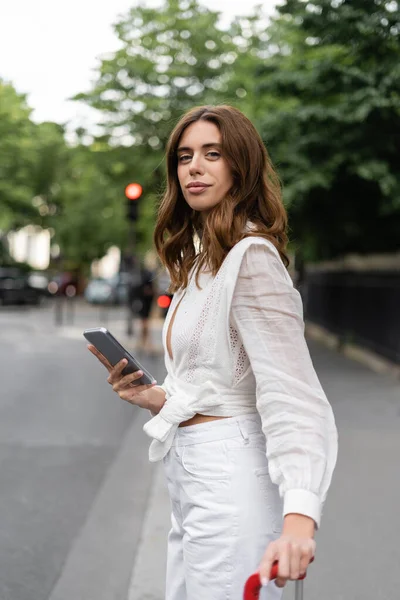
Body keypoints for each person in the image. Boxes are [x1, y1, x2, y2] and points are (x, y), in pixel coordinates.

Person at [88, 105, 338, 599]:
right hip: (192, 475)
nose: (194, 168)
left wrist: (299, 520)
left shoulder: (252, 259)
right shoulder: (203, 265)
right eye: (184, 156)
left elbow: (295, 396)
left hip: (231, 477)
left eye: (212, 154)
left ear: (240, 167)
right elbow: (221, 384)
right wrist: (158, 398)